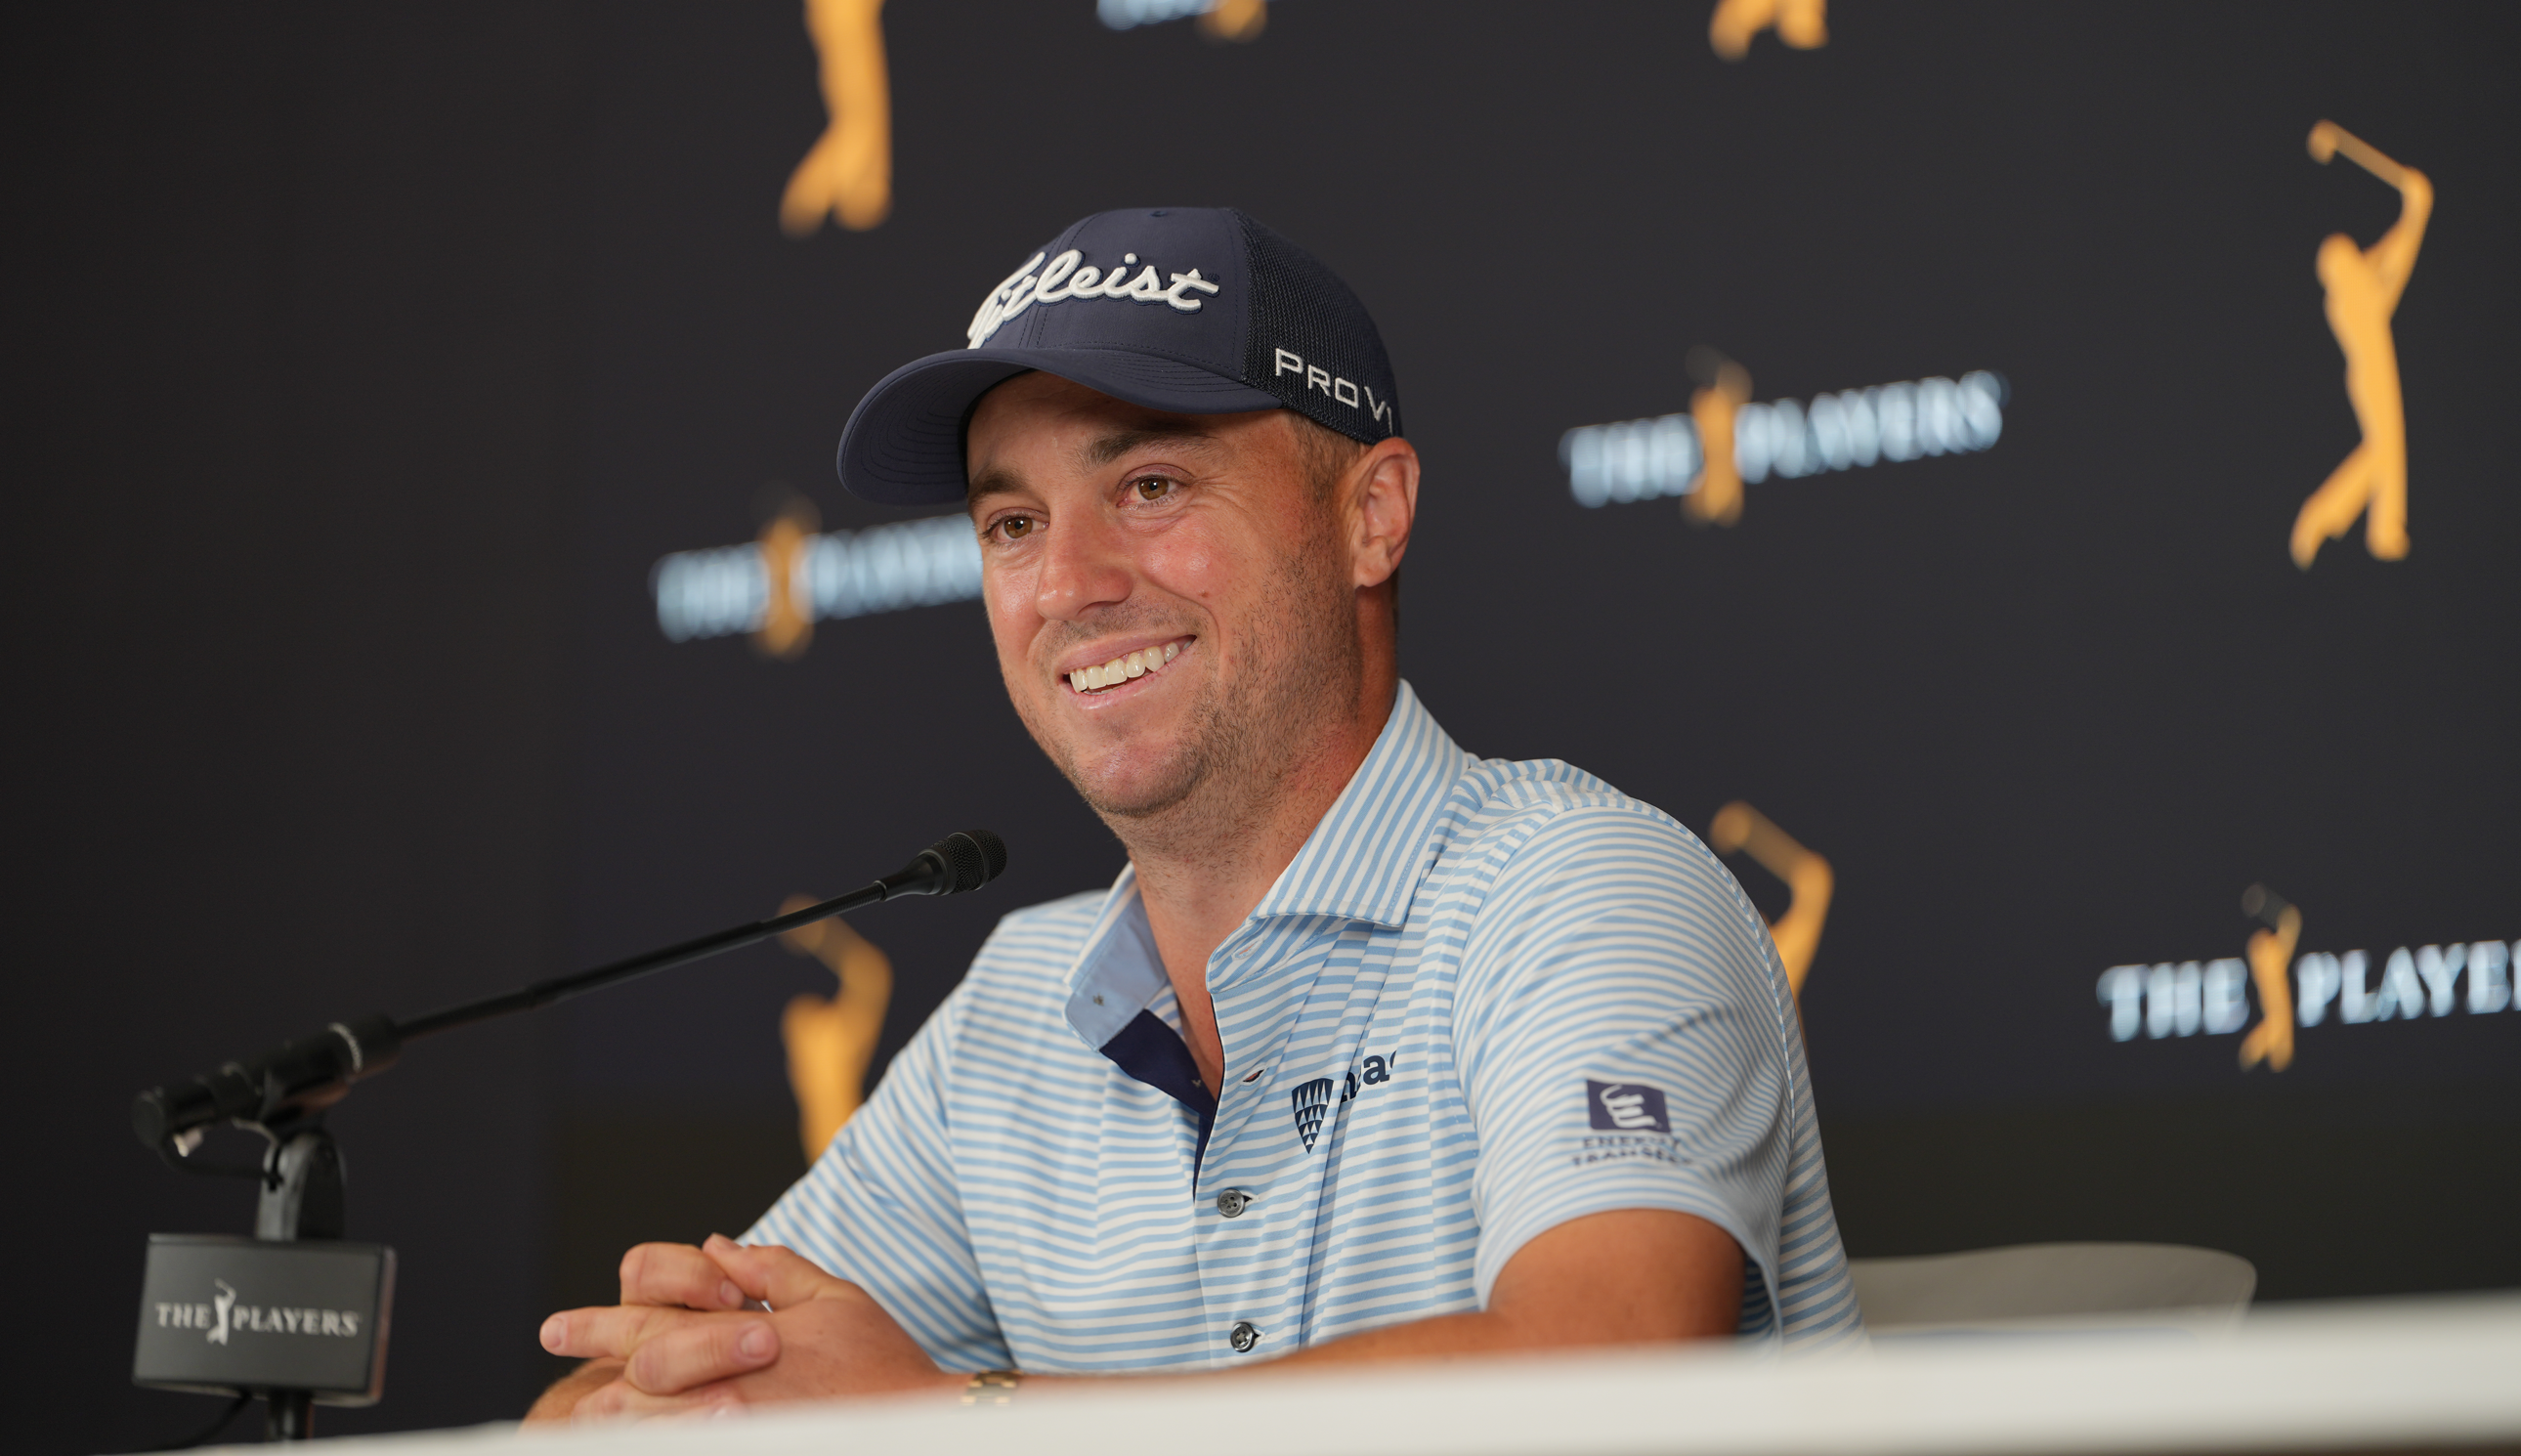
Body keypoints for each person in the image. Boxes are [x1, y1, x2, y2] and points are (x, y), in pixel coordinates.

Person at [527, 207, 1860, 1421]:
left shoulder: (1584, 888)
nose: (1069, 584)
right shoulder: (1016, 1001)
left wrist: (954, 1418)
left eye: (1152, 485)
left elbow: (1601, 1371)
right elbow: (588, 1412)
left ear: (1370, 515)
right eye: (1011, 520)